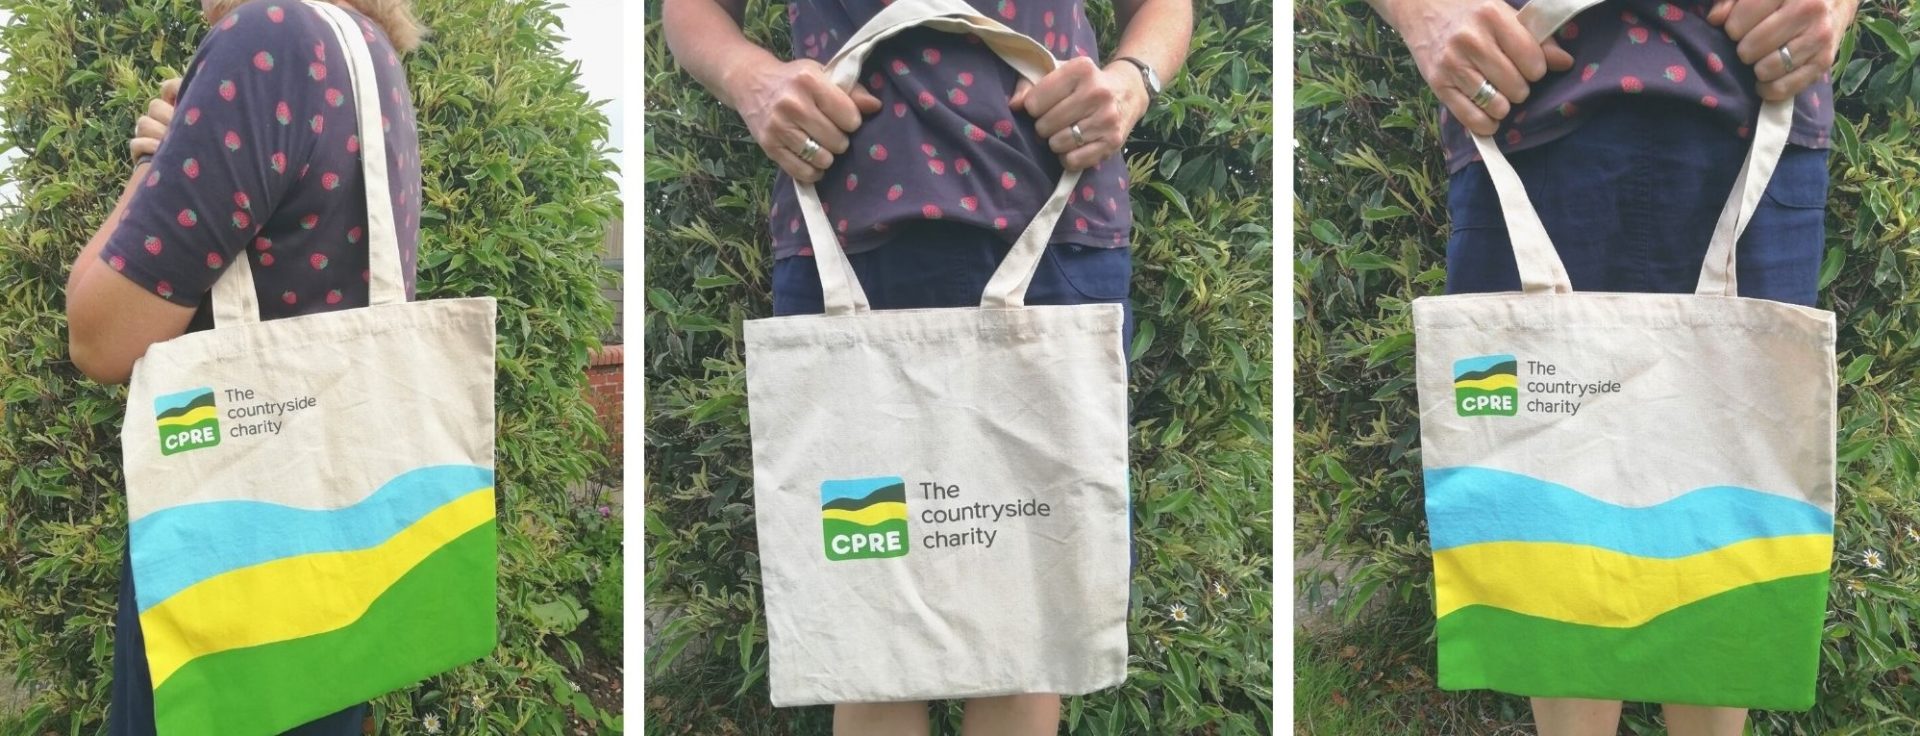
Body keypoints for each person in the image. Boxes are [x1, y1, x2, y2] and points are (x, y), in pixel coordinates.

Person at [661, 0, 1191, 733]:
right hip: (848, 226)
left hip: (1054, 221)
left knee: (1027, 615)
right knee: (869, 618)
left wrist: (1133, 80)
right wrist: (750, 77)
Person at [1365, 0, 1855, 734]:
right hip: (1522, 108)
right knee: (1548, 514)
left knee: (1729, 513)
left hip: (1758, 100)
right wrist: (1422, 13)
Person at [62, 0, 425, 733]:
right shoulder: (369, 50)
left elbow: (98, 336)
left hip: (229, 568)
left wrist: (149, 167)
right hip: (331, 558)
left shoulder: (269, 37)